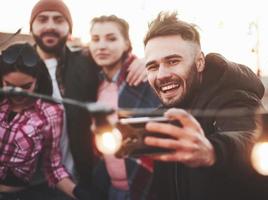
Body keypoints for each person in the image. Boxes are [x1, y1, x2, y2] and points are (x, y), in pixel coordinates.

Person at [141, 12, 268, 200]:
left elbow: (249, 137)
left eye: (173, 61)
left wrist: (212, 150)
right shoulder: (162, 117)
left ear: (199, 62)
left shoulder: (235, 97)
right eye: (152, 66)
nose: (161, 75)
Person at [29, 0, 147, 194]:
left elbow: (119, 61)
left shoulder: (86, 64)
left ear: (69, 27)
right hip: (34, 185)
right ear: (31, 25)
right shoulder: (14, 69)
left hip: (91, 180)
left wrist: (146, 61)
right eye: (42, 19)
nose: (50, 26)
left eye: (58, 20)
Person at [87, 15, 160, 200]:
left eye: (111, 39)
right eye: (95, 39)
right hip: (111, 187)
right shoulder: (94, 82)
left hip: (147, 185)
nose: (101, 46)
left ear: (127, 44)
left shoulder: (142, 78)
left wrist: (150, 62)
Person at [0, 43, 81, 200]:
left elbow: (53, 167)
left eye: (26, 86)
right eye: (9, 86)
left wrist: (79, 193)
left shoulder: (50, 113)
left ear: (37, 81)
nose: (17, 93)